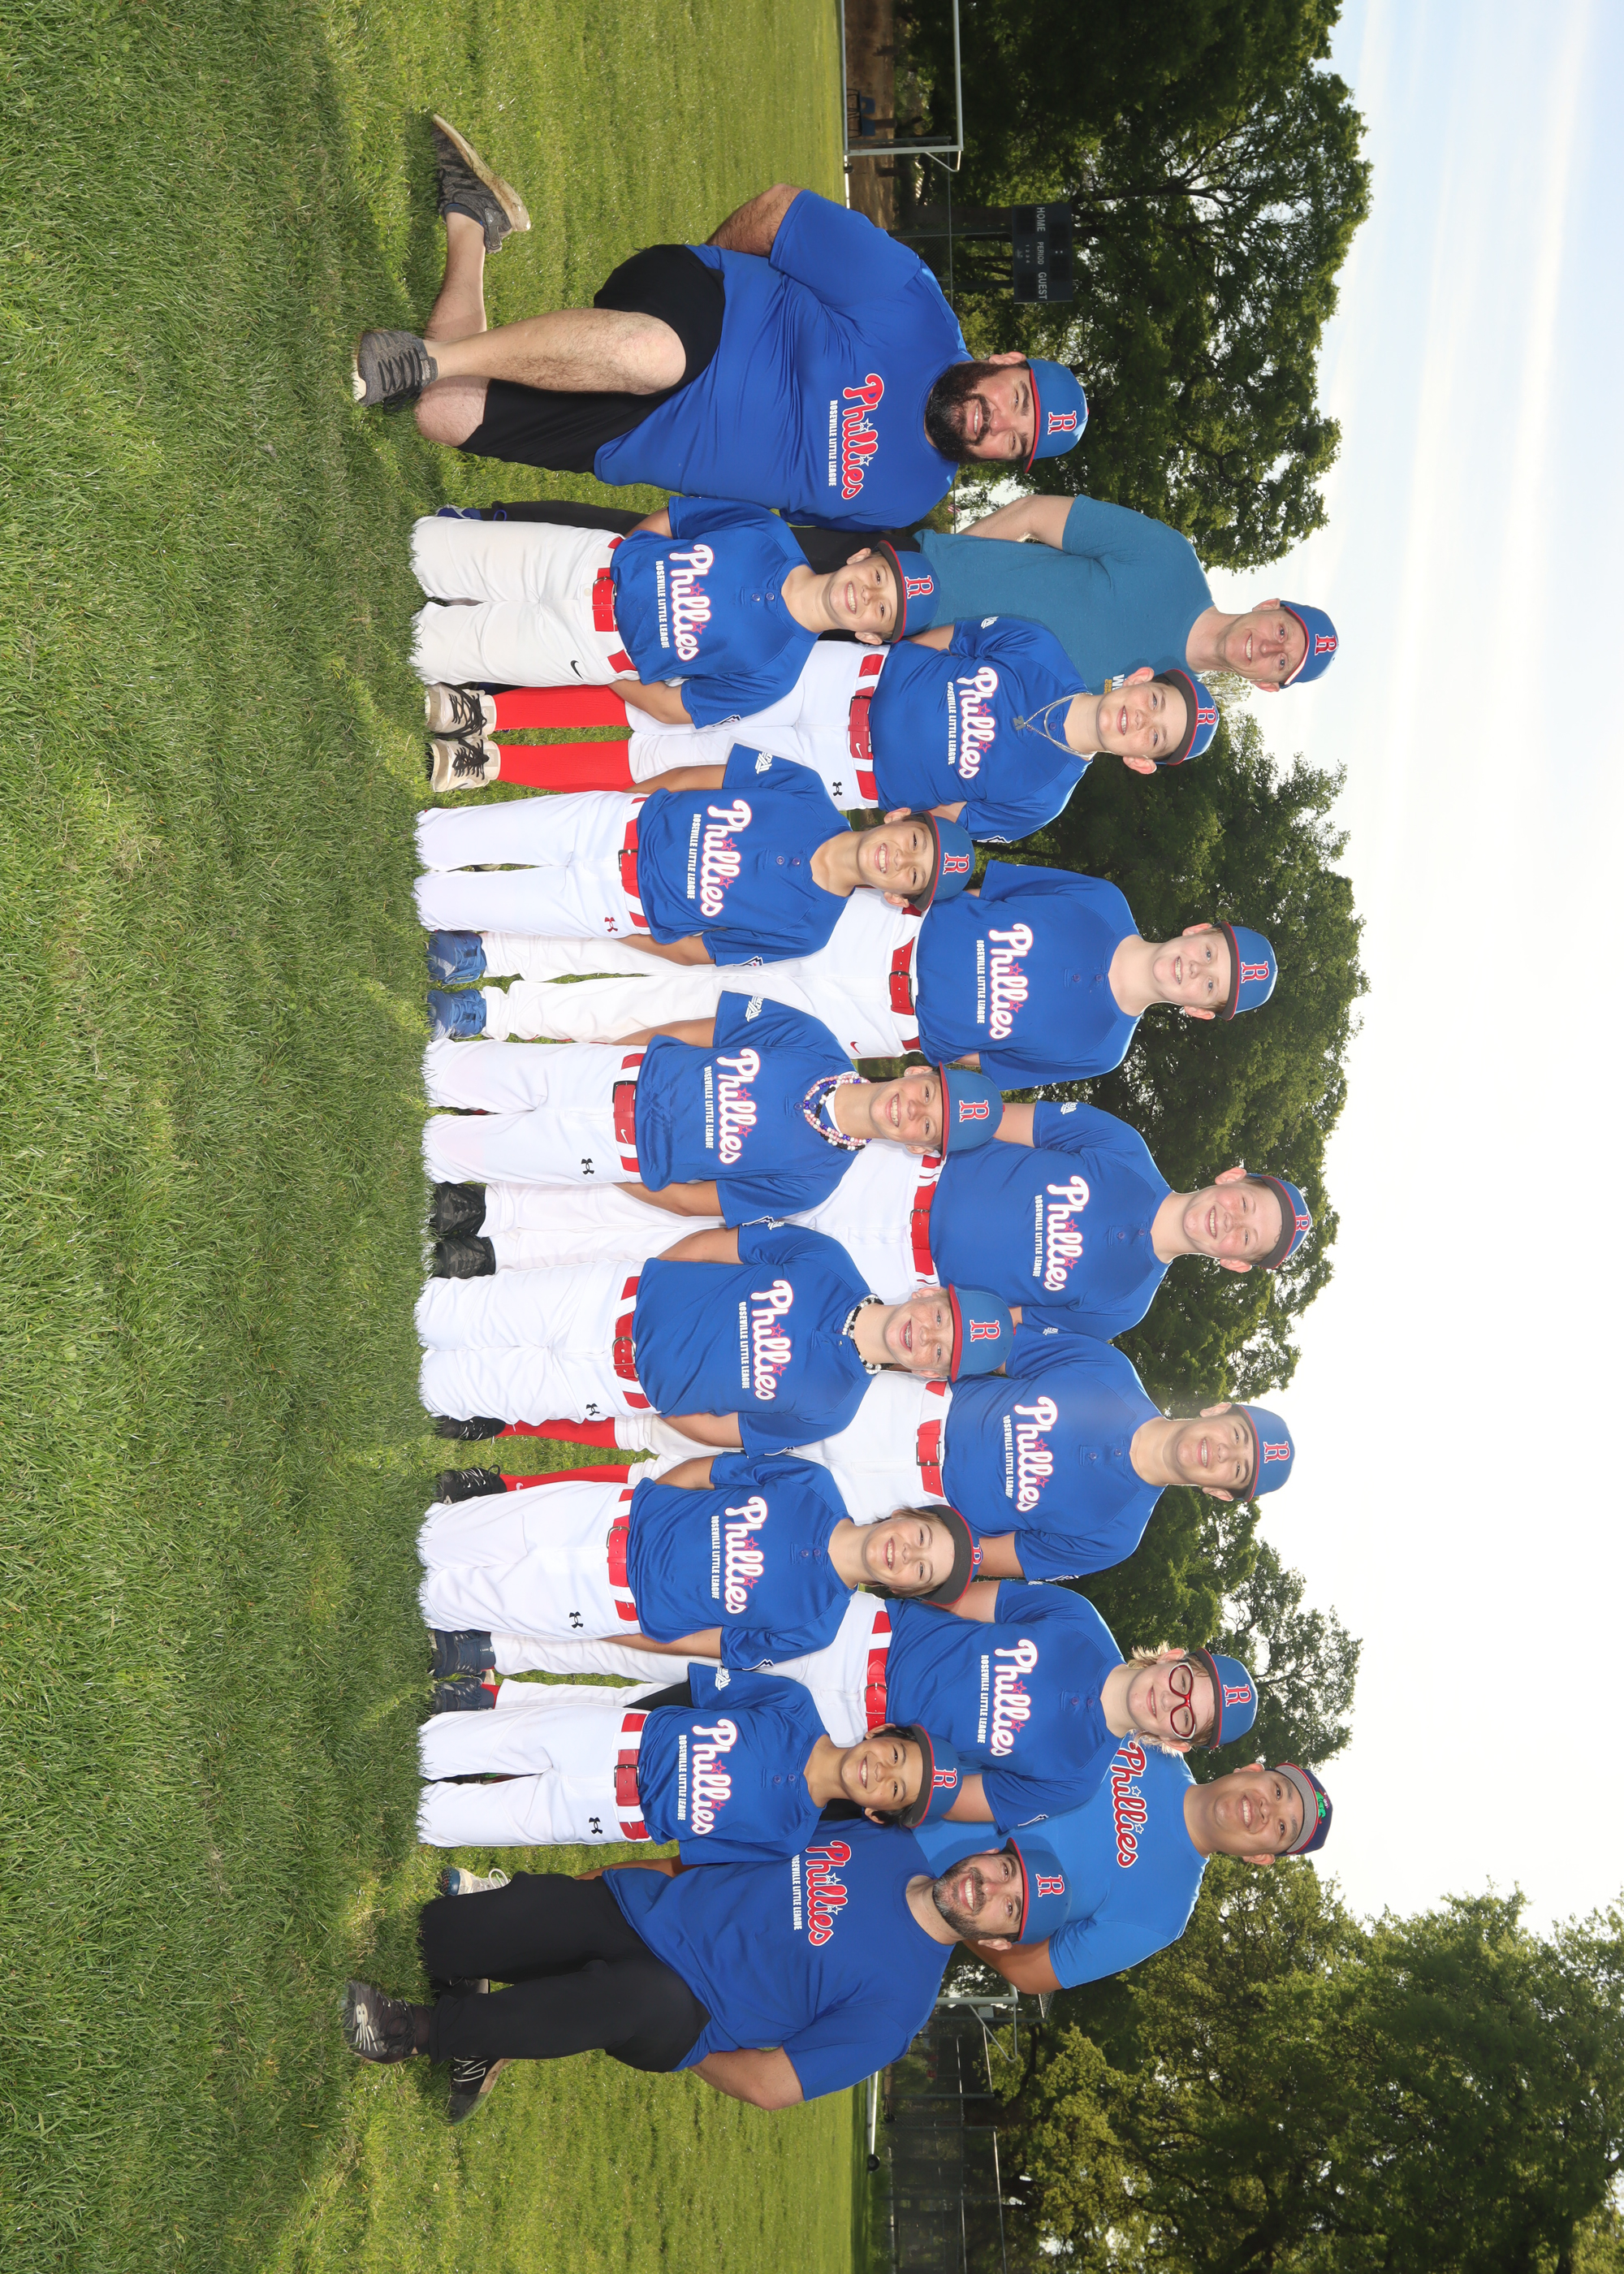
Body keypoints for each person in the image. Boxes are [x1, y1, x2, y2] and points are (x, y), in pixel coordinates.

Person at [349, 125, 1087, 528]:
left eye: (1015, 441)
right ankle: (423, 359)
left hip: (630, 441)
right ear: (1007, 360)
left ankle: (472, 220)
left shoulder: (906, 500)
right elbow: (777, 213)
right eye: (1018, 399)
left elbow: (773, 527)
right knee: (649, 353)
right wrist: (700, 277)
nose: (999, 423)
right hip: (701, 311)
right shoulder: (913, 304)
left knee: (442, 417)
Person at [342, 1818, 1074, 2122]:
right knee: (439, 1936)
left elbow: (770, 2086)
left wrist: (695, 2044)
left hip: (682, 2008)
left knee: (635, 1996)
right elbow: (736, 1854)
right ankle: (476, 2023)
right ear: (990, 1853)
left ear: (998, 1941)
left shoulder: (898, 2009)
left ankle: (415, 2032)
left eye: (1009, 1909)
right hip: (649, 1912)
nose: (990, 1889)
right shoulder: (890, 1840)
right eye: (1004, 1870)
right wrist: (617, 1880)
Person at [438, 1091, 1312, 1336]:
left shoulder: (1125, 1305)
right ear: (1230, 1177)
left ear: (1234, 1262)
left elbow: (1006, 1325)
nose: (1231, 1223)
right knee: (700, 1191)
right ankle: (493, 1202)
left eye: (1247, 1239)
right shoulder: (1120, 1147)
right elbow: (989, 1121)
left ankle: (503, 1265)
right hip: (891, 1179)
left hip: (897, 1277)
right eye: (1245, 1206)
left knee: (711, 1272)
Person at [446, 1582, 1262, 1835]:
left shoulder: (1076, 1780)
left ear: (1175, 1743)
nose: (1171, 1701)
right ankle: (496, 1649)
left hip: (853, 1738)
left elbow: (950, 1796)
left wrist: (876, 1772)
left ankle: (495, 1706)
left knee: (663, 1722)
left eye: (1185, 1718)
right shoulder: (1078, 1621)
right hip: (852, 1640)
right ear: (1174, 1658)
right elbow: (956, 1599)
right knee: (660, 1643)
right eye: (1184, 1682)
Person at [421, 860, 1279, 1081]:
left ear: (1200, 1012)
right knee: (690, 938)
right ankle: (493, 951)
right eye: (1211, 953)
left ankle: (490, 1018)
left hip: (877, 1024)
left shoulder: (1101, 1048)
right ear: (1199, 929)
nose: (1195, 970)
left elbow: (976, 1067)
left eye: (1210, 986)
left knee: (683, 1019)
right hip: (877, 930)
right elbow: (981, 885)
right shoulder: (1100, 900)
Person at [419, 630, 1218, 845]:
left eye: (1155, 736)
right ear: (1137, 678)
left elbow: (942, 822)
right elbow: (944, 640)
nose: (1141, 719)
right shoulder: (1042, 650)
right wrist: (878, 667)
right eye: (1154, 701)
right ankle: (487, 710)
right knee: (675, 698)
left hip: (840, 770)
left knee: (666, 763)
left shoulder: (1043, 799)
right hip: (841, 679)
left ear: (1140, 761)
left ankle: (489, 761)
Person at [419, 1005, 1004, 1260]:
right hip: (611, 1072)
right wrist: (611, 1055)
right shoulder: (813, 1039)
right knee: (437, 1070)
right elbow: (700, 1031)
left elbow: (692, 1202)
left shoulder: (814, 1183)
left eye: (928, 1126)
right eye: (929, 1095)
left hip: (609, 1152)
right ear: (918, 1073)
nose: (912, 1110)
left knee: (439, 1153)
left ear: (917, 1147)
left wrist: (620, 1167)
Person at [414, 1218, 1014, 1442]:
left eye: (942, 1352)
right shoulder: (829, 1261)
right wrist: (652, 1286)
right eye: (941, 1319)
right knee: (441, 1311)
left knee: (440, 1389)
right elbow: (716, 1247)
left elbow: (725, 1430)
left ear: (931, 1374)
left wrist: (658, 1395)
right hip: (602, 1299)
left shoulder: (833, 1410)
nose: (927, 1336)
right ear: (929, 1293)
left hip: (606, 1387)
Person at [415, 1454, 978, 1675]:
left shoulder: (817, 1626)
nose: (907, 1553)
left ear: (905, 1591)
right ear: (906, 1514)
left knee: (436, 1603)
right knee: (434, 1535)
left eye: (921, 1570)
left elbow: (700, 1643)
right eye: (921, 1536)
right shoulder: (814, 1484)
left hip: (608, 1601)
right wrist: (647, 1503)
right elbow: (710, 1474)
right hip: (604, 1517)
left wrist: (616, 1627)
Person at [415, 769, 972, 974]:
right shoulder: (805, 789)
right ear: (899, 816)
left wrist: (618, 925)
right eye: (914, 842)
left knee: (434, 904)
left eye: (912, 876)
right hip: (609, 823)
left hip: (614, 904)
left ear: (898, 898)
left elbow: (694, 952)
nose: (900, 859)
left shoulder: (809, 932)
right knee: (433, 836)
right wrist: (622, 807)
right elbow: (694, 778)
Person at [406, 500, 918, 721]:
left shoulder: (776, 674)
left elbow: (673, 708)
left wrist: (605, 667)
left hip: (590, 647)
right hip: (580, 560)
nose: (867, 596)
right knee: (420, 547)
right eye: (878, 577)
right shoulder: (769, 532)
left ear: (869, 638)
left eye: (881, 611)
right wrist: (626, 553)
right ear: (860, 557)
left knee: (424, 650)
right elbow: (677, 519)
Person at [416, 1665, 966, 1855]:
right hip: (612, 1737)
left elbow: (695, 1850)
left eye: (895, 1789)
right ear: (880, 1732)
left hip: (608, 1814)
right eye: (896, 1755)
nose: (882, 1771)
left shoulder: (791, 1836)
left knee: (434, 1821)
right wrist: (621, 1720)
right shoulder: (794, 1704)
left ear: (877, 1812)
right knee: (434, 1744)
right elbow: (695, 1693)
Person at [919, 1743, 1334, 1991]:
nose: (1266, 1809)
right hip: (910, 1781)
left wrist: (950, 1904)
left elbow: (1031, 1974)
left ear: (1260, 1857)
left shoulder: (1163, 1915)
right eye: (1278, 1791)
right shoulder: (1152, 1736)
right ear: (1253, 1771)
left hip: (907, 1882)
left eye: (1283, 1828)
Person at [912, 491, 1340, 692]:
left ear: (1267, 685)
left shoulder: (1158, 709)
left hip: (908, 677)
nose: (1267, 648)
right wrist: (933, 573)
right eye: (1282, 632)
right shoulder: (1170, 560)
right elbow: (1034, 512)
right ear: (1269, 605)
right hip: (906, 591)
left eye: (1281, 662)